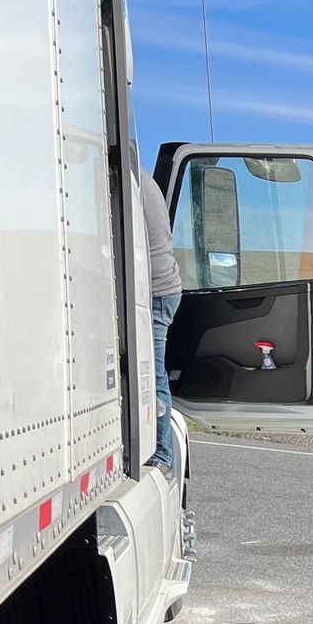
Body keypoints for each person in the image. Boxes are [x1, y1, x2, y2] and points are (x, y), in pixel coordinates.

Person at [140, 173, 182, 474]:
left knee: (154, 376)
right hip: (163, 287)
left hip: (154, 292)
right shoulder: (140, 178)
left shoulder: (128, 180)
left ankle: (162, 454)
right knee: (151, 374)